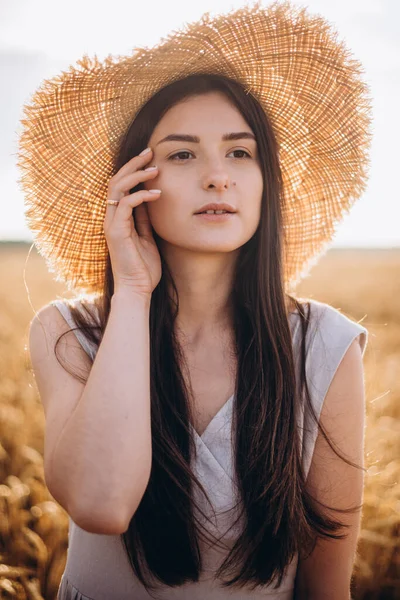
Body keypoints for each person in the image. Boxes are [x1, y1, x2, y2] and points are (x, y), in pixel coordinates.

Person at [20, 2, 372, 599]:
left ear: (268, 184)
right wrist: (132, 291)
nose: (218, 176)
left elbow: (326, 584)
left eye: (241, 153)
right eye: (182, 154)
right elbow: (102, 505)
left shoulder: (326, 347)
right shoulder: (69, 332)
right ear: (132, 185)